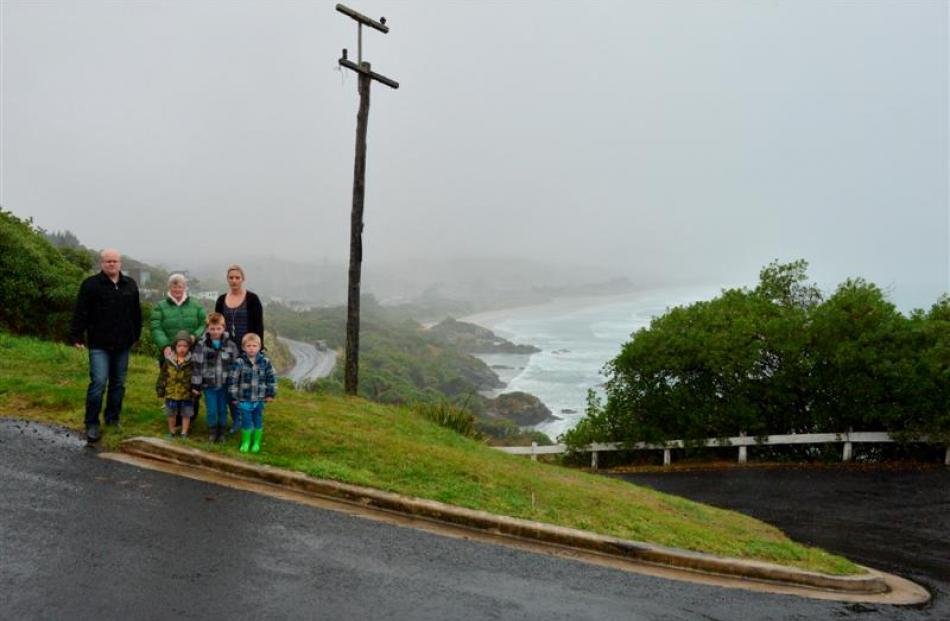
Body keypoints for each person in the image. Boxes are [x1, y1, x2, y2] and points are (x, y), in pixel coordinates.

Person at [69, 248, 142, 444]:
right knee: (99, 383)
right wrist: (77, 336)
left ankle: (112, 419)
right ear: (101, 263)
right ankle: (92, 423)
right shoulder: (90, 285)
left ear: (120, 264)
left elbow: (136, 314)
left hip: (123, 344)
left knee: (118, 384)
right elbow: (80, 312)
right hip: (98, 344)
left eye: (115, 261)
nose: (111, 264)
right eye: (108, 261)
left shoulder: (130, 285)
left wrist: (136, 336)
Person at [215, 264, 264, 434]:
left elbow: (258, 326)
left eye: (237, 277)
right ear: (227, 279)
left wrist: (258, 349)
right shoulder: (221, 299)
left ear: (243, 279)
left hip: (247, 350)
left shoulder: (252, 299)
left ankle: (249, 418)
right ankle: (236, 419)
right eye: (231, 277)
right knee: (230, 385)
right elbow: (216, 324)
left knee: (246, 386)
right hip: (226, 349)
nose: (234, 280)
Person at [191, 312, 239, 443]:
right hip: (208, 385)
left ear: (223, 328)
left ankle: (221, 432)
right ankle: (212, 431)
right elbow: (197, 366)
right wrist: (196, 385)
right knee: (212, 410)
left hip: (224, 385)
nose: (215, 331)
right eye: (212, 328)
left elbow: (235, 367)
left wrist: (234, 384)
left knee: (223, 409)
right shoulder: (202, 345)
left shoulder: (231, 346)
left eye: (218, 328)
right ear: (208, 328)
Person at [228, 332, 276, 454]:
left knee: (258, 420)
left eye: (254, 346)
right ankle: (246, 442)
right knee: (246, 421)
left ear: (259, 347)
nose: (251, 348)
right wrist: (233, 396)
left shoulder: (266, 362)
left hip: (259, 399)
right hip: (244, 399)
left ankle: (256, 443)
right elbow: (233, 380)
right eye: (248, 346)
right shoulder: (239, 362)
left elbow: (271, 379)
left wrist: (270, 394)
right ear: (244, 347)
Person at [151, 273, 206, 360]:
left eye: (180, 287)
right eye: (174, 287)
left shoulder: (196, 305)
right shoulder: (160, 306)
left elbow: (204, 323)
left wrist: (195, 336)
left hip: (192, 352)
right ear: (169, 288)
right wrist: (165, 346)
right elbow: (156, 328)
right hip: (169, 352)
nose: (177, 290)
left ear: (184, 288)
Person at [157, 331, 195, 439]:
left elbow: (196, 377)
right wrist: (160, 388)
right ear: (175, 346)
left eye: (185, 346)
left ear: (189, 347)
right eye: (179, 346)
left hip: (186, 393)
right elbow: (163, 375)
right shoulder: (169, 361)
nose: (182, 348)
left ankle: (184, 432)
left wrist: (196, 389)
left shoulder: (191, 361)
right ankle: (171, 432)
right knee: (171, 414)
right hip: (171, 393)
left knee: (186, 414)